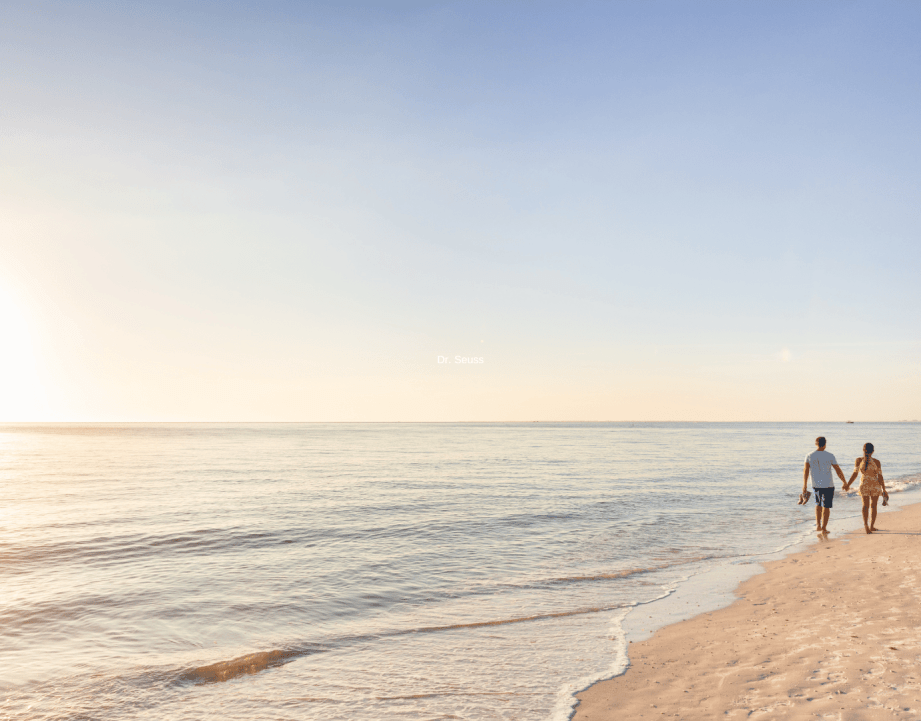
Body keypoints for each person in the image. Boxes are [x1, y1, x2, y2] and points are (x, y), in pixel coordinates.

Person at [803, 436, 847, 533]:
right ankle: (824, 528)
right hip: (828, 484)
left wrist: (805, 485)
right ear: (825, 444)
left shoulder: (809, 455)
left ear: (816, 443)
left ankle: (818, 525)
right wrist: (844, 482)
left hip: (816, 485)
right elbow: (837, 470)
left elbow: (806, 471)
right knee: (826, 507)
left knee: (818, 505)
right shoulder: (830, 455)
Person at [843, 442, 888, 534]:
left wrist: (848, 484)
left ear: (863, 450)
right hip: (875, 485)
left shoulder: (858, 460)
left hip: (864, 485)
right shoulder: (876, 462)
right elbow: (880, 477)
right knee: (873, 506)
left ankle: (866, 526)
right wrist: (884, 489)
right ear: (873, 451)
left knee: (865, 506)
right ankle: (871, 526)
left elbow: (855, 474)